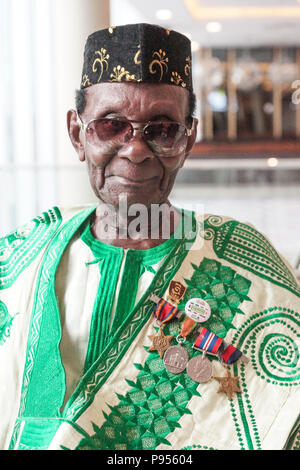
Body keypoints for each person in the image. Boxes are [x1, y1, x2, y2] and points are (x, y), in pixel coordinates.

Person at [0, 23, 299, 451]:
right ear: (76, 134)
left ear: (188, 139)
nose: (136, 150)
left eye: (161, 130)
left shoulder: (244, 260)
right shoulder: (21, 257)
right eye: (110, 126)